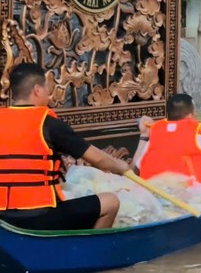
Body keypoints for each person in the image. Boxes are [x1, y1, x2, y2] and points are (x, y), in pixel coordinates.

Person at [0, 63, 130, 230]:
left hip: (3, 219)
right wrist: (121, 166)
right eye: (48, 89)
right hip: (38, 217)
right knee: (110, 201)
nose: (49, 95)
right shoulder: (47, 123)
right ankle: (87, 253)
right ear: (37, 90)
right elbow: (98, 160)